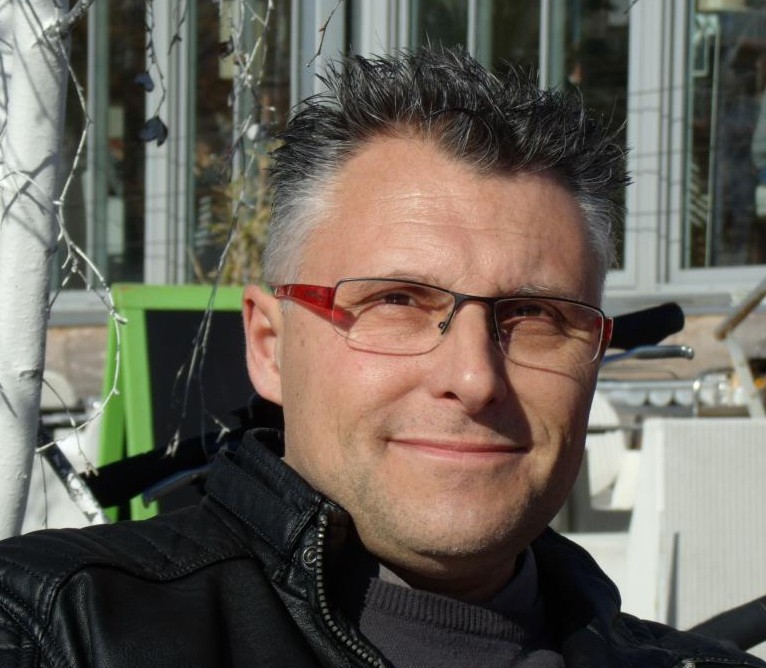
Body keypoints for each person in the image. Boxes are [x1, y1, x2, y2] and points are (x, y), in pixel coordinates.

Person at [0, 47, 763, 668]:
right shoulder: (53, 630)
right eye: (397, 300)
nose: (473, 378)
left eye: (534, 315)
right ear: (270, 346)